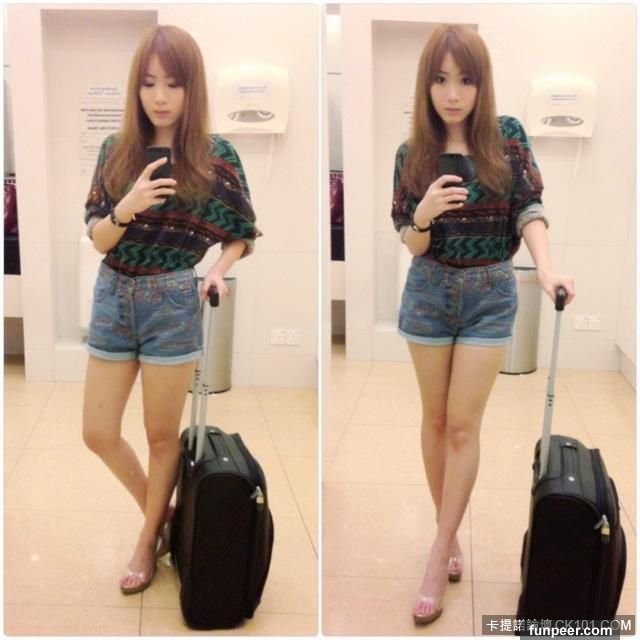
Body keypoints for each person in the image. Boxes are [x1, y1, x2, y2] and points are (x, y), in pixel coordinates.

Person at [391, 24, 575, 625]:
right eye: (441, 80)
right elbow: (411, 242)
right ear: (426, 85)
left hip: (491, 291)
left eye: (466, 80)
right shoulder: (411, 154)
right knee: (435, 419)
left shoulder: (507, 137)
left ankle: (438, 549)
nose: (453, 93)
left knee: (463, 426)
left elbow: (529, 207)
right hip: (428, 291)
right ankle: (449, 532)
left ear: (482, 84)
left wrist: (545, 269)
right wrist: (422, 215)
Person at [82, 25, 260, 595]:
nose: (160, 96)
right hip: (114, 294)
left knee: (162, 436)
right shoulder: (116, 150)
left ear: (192, 89)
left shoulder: (215, 156)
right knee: (97, 432)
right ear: (136, 87)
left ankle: (145, 542)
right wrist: (127, 207)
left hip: (173, 299)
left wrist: (218, 269)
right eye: (149, 83)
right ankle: (163, 515)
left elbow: (242, 232)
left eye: (174, 84)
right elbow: (98, 238)